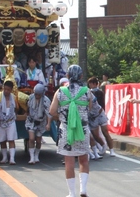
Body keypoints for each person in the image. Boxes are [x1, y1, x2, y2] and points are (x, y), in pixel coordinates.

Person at [49, 65, 92, 197]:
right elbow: (89, 109)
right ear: (81, 76)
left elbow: (52, 111)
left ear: (67, 76)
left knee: (69, 162)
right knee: (83, 160)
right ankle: (83, 190)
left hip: (66, 129)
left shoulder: (60, 91)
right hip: (83, 130)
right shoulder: (86, 91)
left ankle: (71, 193)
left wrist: (63, 116)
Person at [87, 76, 116, 157]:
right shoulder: (88, 92)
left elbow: (101, 104)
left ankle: (111, 150)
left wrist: (100, 111)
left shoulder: (98, 92)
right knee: (95, 135)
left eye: (91, 83)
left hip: (100, 113)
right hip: (92, 116)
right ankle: (103, 146)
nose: (90, 85)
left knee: (105, 132)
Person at [0, 81, 19, 165]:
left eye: (8, 90)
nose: (6, 91)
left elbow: (17, 108)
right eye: (5, 89)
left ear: (11, 90)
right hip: (0, 121)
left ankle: (12, 159)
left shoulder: (13, 97)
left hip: (11, 121)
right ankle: (4, 157)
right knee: (2, 140)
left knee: (11, 139)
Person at [25, 84, 52, 164]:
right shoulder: (30, 97)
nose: (37, 96)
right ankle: (31, 157)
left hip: (41, 122)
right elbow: (27, 107)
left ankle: (36, 155)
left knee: (39, 140)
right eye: (36, 94)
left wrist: (48, 124)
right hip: (31, 120)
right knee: (31, 139)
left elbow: (49, 113)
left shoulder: (46, 100)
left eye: (38, 94)